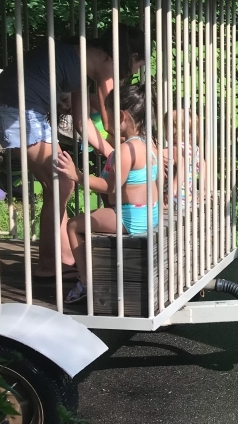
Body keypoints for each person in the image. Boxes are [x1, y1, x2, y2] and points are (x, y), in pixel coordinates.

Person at [0, 27, 145, 279]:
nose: (136, 72)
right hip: (17, 110)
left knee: (59, 185)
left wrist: (111, 154)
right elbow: (112, 121)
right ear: (132, 55)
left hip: (12, 107)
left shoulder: (83, 57)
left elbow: (82, 123)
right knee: (62, 181)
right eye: (139, 65)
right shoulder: (108, 61)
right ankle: (49, 263)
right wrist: (132, 152)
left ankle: (62, 258)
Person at [54, 83, 159, 304]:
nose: (105, 121)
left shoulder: (125, 150)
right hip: (150, 214)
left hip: (130, 219)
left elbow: (109, 186)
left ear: (121, 116)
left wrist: (77, 175)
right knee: (100, 215)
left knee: (74, 225)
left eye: (108, 115)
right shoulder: (149, 144)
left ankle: (86, 281)